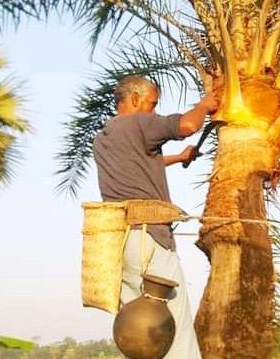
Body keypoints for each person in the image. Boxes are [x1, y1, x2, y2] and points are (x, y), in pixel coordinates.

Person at [93, 75, 218, 358]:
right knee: (173, 327)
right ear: (135, 99)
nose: (154, 110)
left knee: (140, 334)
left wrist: (177, 158)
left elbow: (139, 160)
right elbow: (187, 125)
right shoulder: (140, 122)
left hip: (120, 245)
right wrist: (204, 105)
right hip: (150, 240)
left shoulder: (104, 136)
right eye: (152, 103)